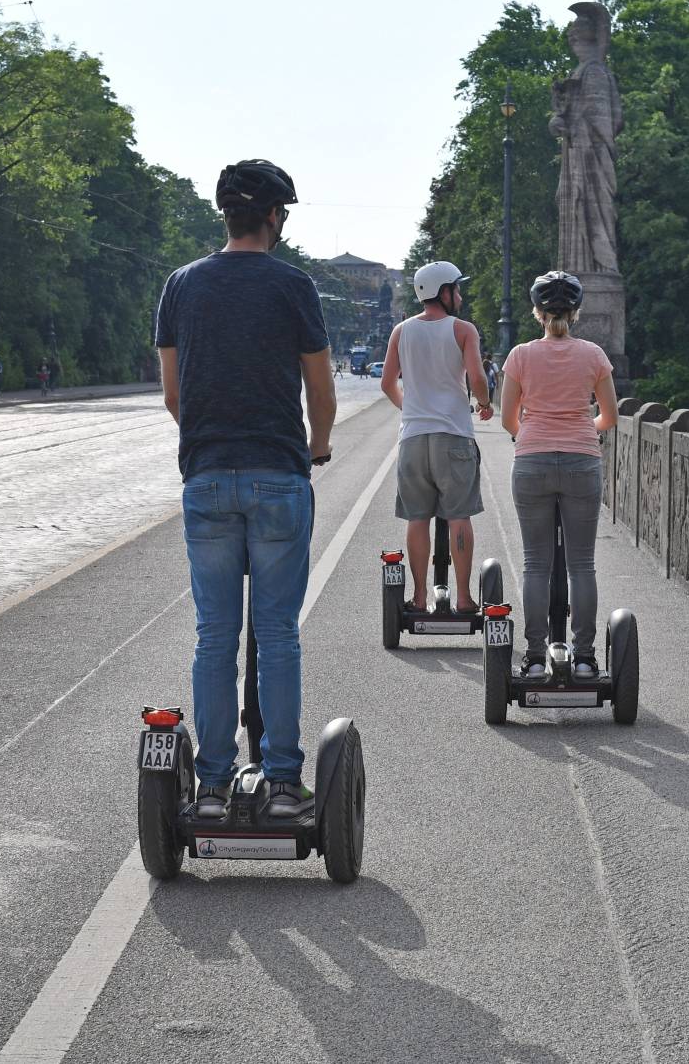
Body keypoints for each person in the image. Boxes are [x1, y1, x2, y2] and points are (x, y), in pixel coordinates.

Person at [155, 158, 336, 820]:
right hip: (277, 474)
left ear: (225, 215)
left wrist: (209, 437)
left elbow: (175, 394)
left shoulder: (181, 286)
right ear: (273, 217)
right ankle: (285, 783)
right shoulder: (293, 287)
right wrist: (316, 446)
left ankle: (209, 786)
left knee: (213, 635)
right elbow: (320, 388)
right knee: (277, 633)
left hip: (205, 476)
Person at [499, 270, 619, 680]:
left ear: (537, 313)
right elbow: (610, 416)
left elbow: (507, 419)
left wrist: (531, 434)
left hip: (531, 461)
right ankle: (584, 659)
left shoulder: (520, 356)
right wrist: (585, 427)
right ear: (577, 312)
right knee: (582, 565)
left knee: (536, 564)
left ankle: (533, 659)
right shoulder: (594, 355)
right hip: (582, 461)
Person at [378, 260, 492, 614]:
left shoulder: (402, 331)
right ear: (443, 292)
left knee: (417, 517)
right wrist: (485, 404)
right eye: (456, 289)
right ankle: (462, 597)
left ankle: (419, 596)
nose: (459, 295)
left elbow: (387, 383)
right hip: (453, 436)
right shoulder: (463, 330)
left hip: (413, 439)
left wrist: (410, 408)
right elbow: (476, 376)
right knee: (458, 516)